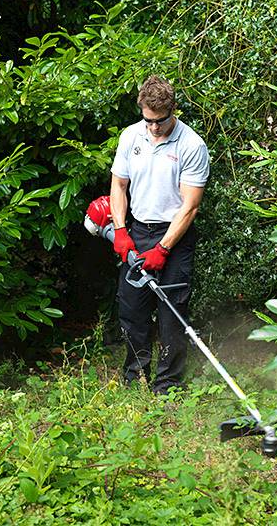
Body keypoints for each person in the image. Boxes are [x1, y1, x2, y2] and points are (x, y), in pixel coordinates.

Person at [109, 75, 210, 395]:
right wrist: (122, 231)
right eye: (148, 120)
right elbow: (118, 186)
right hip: (137, 231)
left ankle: (167, 384)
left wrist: (164, 249)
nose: (154, 127)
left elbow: (191, 207)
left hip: (174, 238)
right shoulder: (130, 137)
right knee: (132, 308)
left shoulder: (191, 145)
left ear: (173, 111)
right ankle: (135, 376)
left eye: (161, 120)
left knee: (171, 314)